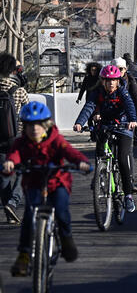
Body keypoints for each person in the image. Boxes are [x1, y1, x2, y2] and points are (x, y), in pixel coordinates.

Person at [5, 101, 91, 276]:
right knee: (29, 216)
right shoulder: (21, 142)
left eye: (38, 125)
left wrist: (82, 162)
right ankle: (24, 255)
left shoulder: (56, 140)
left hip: (57, 182)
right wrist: (10, 163)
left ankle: (66, 240)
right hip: (34, 184)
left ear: (47, 125)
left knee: (61, 211)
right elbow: (15, 154)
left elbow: (70, 153)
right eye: (30, 125)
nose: (34, 129)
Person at [74, 65, 137, 212]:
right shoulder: (97, 92)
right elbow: (89, 106)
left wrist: (132, 120)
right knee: (100, 152)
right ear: (102, 81)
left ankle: (128, 195)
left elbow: (129, 106)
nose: (111, 83)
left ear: (118, 81)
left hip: (124, 126)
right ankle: (100, 175)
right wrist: (79, 122)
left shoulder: (122, 92)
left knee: (122, 159)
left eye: (114, 80)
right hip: (106, 125)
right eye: (108, 80)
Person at [0, 52, 29, 225]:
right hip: (16, 138)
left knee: (3, 175)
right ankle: (13, 202)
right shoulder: (19, 91)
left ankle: (7, 205)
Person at [112, 58, 137, 146]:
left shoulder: (130, 80)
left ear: (125, 69)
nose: (119, 71)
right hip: (111, 110)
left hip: (126, 110)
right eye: (116, 69)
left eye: (121, 69)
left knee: (125, 148)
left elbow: (136, 95)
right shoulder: (105, 81)